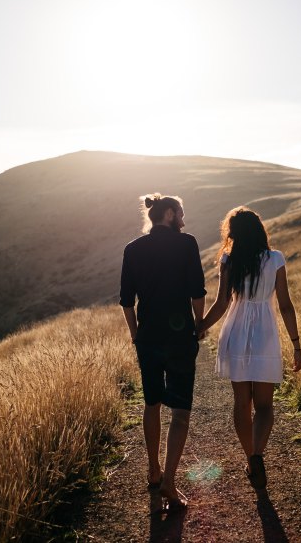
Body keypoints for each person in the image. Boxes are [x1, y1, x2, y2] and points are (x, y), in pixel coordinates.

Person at [198, 206, 301, 489]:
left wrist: (200, 327)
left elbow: (222, 303)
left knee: (241, 402)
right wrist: (296, 345)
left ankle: (250, 458)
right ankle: (256, 455)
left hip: (236, 331)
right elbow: (285, 305)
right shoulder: (276, 258)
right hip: (265, 334)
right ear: (259, 231)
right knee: (265, 406)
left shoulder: (229, 259)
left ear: (233, 233)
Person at [119, 193, 207, 511]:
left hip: (148, 339)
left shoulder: (132, 249)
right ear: (169, 214)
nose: (183, 219)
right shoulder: (186, 243)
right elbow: (197, 291)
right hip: (180, 338)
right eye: (180, 213)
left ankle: (154, 470)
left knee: (152, 403)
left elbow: (126, 301)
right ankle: (169, 480)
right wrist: (199, 323)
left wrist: (135, 335)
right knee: (180, 412)